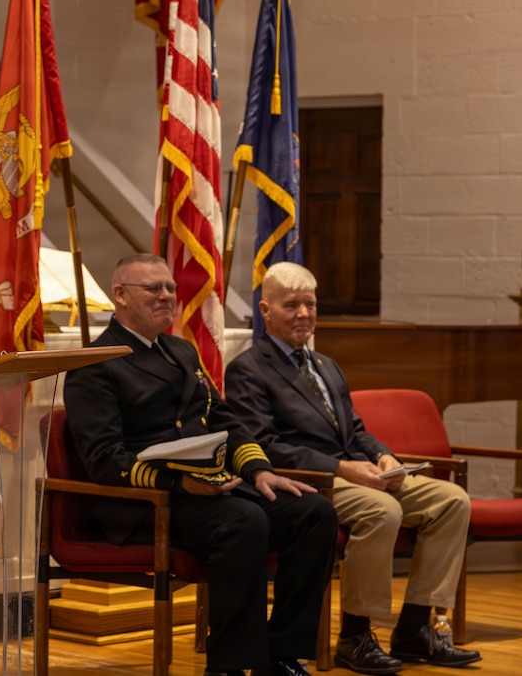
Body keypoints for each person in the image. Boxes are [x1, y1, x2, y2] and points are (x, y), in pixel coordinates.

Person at [63, 254, 338, 676]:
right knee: (243, 520)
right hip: (146, 502)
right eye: (152, 289)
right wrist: (180, 484)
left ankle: (281, 655)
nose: (166, 296)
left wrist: (259, 470)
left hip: (209, 490)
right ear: (120, 296)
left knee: (312, 511)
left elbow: (226, 421)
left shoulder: (180, 350)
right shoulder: (95, 363)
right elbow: (103, 459)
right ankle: (229, 665)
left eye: (170, 288)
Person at [224, 262, 482, 674]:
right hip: (313, 478)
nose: (304, 314)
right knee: (383, 511)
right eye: (291, 305)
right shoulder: (248, 370)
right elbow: (265, 445)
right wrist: (342, 468)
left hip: (358, 470)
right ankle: (356, 636)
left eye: (310, 304)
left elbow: (356, 429)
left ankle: (415, 628)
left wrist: (384, 456)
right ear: (265, 311)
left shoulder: (326, 365)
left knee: (452, 501)